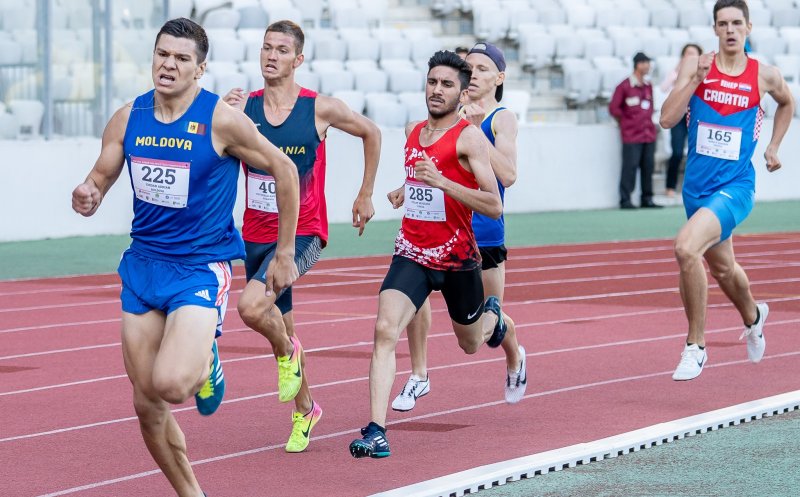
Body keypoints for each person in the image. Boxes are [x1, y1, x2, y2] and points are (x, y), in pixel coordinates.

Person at [70, 18, 300, 497]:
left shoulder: (220, 119)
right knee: (147, 404)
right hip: (143, 268)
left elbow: (284, 169)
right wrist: (89, 192)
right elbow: (101, 175)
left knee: (174, 385)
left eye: (181, 58)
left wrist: (283, 252)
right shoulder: (128, 116)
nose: (168, 65)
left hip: (199, 266)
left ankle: (205, 360)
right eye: (162, 54)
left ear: (200, 69)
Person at [222, 19, 381, 453]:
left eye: (281, 49)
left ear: (298, 59)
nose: (271, 55)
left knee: (252, 308)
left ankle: (290, 356)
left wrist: (364, 193)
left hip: (303, 234)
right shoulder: (242, 109)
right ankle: (306, 409)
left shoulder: (319, 108)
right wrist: (221, 110)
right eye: (266, 47)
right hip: (254, 234)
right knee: (281, 326)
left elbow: (371, 131)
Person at [348, 50, 507, 459]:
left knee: (471, 344)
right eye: (432, 82)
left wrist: (442, 182)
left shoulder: (470, 137)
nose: (437, 90)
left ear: (462, 92)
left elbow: (493, 204)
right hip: (412, 253)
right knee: (385, 330)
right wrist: (407, 190)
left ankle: (494, 315)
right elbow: (420, 177)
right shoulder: (413, 129)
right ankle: (377, 430)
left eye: (447, 85)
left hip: (457, 259)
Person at [659, 0, 794, 381]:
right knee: (722, 268)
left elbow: (787, 103)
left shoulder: (764, 75)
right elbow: (667, 119)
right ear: (715, 30)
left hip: (736, 187)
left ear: (748, 28)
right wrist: (697, 79)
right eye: (723, 24)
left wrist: (773, 146)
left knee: (686, 248)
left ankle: (695, 347)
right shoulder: (696, 66)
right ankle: (754, 315)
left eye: (737, 23)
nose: (730, 29)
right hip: (696, 189)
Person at [391, 42, 526, 413]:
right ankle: (419, 373)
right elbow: (430, 166)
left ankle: (513, 352)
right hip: (436, 228)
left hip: (482, 232)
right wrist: (406, 188)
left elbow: (509, 176)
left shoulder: (501, 118)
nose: (475, 74)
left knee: (479, 331)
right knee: (414, 298)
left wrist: (473, 129)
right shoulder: (445, 116)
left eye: (483, 69)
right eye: (471, 68)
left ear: (498, 77)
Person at [609, 51, 662, 209]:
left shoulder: (648, 86)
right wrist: (626, 122)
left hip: (648, 134)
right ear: (638, 64)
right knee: (630, 167)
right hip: (632, 135)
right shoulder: (624, 86)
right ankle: (625, 199)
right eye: (645, 62)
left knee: (648, 167)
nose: (648, 66)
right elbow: (614, 108)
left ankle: (647, 198)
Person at [660, 43, 703, 199]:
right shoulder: (676, 72)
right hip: (679, 117)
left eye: (693, 54)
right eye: (687, 54)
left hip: (698, 117)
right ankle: (670, 186)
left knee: (698, 152)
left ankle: (697, 186)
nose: (690, 57)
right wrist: (678, 71)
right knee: (677, 152)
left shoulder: (705, 72)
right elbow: (663, 88)